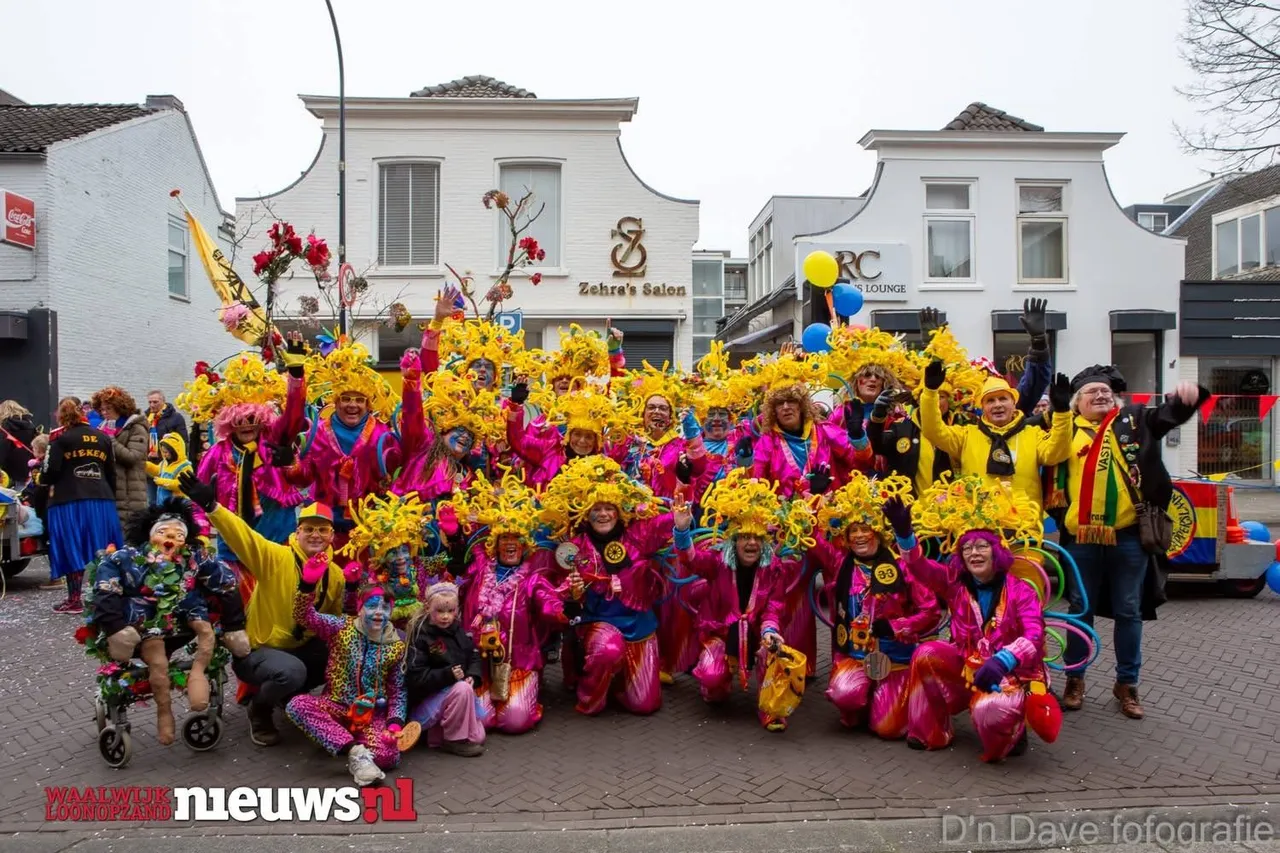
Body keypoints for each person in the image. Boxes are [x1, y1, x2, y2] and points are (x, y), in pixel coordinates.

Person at [1057, 366, 1208, 720]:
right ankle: (1075, 678)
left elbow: (1169, 416)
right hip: (1080, 536)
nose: (1100, 396)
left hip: (1128, 535)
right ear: (1077, 402)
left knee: (1129, 610)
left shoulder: (1135, 421)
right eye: (1091, 392)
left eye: (1105, 392)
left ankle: (1127, 684)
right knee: (1080, 610)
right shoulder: (1060, 430)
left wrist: (1188, 397)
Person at [179, 471, 350, 747]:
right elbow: (244, 536)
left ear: (332, 535)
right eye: (309, 529)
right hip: (260, 651)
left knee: (342, 653)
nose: (315, 535)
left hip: (300, 649)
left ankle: (288, 696)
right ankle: (259, 709)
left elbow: (330, 623)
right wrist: (213, 507)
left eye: (322, 529)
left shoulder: (336, 575)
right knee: (291, 672)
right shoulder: (275, 557)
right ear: (298, 532)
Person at [890, 476, 1049, 763]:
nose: (974, 553)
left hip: (1012, 674)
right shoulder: (954, 583)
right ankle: (931, 732)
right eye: (967, 548)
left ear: (997, 551)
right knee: (925, 653)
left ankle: (1012, 730)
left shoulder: (1021, 590)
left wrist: (1004, 660)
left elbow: (1035, 636)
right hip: (968, 665)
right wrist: (904, 534)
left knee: (989, 711)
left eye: (981, 546)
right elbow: (918, 566)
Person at [84, 500, 248, 745]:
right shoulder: (126, 558)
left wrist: (234, 626)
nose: (170, 538)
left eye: (179, 533)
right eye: (163, 532)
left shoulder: (195, 557)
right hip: (147, 624)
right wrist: (115, 628)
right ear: (150, 534)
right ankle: (164, 711)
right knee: (157, 659)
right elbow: (105, 588)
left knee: (206, 632)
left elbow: (226, 583)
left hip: (187, 618)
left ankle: (197, 675)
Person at [675, 471, 811, 731]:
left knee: (771, 651)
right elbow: (690, 559)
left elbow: (774, 606)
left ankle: (770, 708)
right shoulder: (718, 561)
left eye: (757, 537)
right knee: (714, 683)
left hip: (758, 632)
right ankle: (716, 684)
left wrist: (771, 631)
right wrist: (682, 530)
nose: (751, 543)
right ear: (734, 541)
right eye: (744, 537)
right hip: (720, 631)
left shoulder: (774, 569)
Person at [444, 471, 577, 734]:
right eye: (504, 538)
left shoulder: (532, 580)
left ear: (525, 545)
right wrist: (457, 538)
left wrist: (568, 605)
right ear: (496, 544)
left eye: (516, 538)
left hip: (519, 663)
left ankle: (525, 696)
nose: (510, 544)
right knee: (482, 719)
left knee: (514, 721)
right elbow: (462, 565)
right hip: (479, 663)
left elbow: (551, 606)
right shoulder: (481, 569)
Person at [809, 474, 941, 739]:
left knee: (888, 728)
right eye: (853, 531)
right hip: (854, 656)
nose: (859, 536)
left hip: (895, 659)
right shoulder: (838, 564)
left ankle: (890, 698)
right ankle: (859, 703)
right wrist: (816, 499)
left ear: (879, 533)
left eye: (865, 529)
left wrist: (895, 626)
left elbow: (932, 612)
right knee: (844, 694)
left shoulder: (904, 567)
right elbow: (810, 536)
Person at [540, 456, 671, 717]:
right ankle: (590, 697)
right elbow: (559, 594)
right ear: (586, 514)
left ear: (619, 511)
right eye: (595, 508)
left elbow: (667, 524)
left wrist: (680, 521)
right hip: (599, 626)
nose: (602, 514)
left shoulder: (637, 535)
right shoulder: (573, 547)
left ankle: (619, 684)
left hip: (639, 627)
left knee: (645, 706)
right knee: (608, 650)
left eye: (609, 508)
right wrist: (572, 593)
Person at [286, 554, 411, 785]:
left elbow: (398, 690)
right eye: (372, 606)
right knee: (298, 705)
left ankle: (344, 743)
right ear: (361, 608)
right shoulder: (341, 627)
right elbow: (303, 616)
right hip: (336, 706)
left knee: (389, 756)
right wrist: (307, 585)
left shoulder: (397, 645)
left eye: (385, 608)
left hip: (371, 714)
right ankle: (355, 752)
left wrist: (395, 722)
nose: (378, 613)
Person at [918, 362, 1074, 511]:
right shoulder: (966, 435)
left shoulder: (1032, 434)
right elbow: (933, 431)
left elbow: (1056, 453)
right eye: (990, 401)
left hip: (1025, 526)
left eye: (1003, 399)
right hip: (979, 527)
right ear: (983, 407)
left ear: (1014, 403)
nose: (997, 404)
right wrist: (930, 393)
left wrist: (1062, 413)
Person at [38, 399, 123, 614]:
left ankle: (74, 599)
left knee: (71, 548)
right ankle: (107, 596)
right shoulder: (103, 437)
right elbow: (111, 472)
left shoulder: (60, 437)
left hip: (69, 500)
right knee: (104, 548)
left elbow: (50, 472)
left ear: (62, 416)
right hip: (102, 500)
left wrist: (40, 477)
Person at [405, 582, 488, 756]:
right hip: (426, 702)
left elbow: (473, 654)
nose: (446, 617)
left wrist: (473, 674)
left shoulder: (457, 630)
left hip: (453, 694)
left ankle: (438, 734)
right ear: (428, 608)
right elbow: (415, 679)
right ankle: (453, 740)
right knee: (463, 689)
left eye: (450, 611)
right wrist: (447, 675)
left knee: (478, 737)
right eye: (440, 611)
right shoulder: (421, 636)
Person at [92, 387, 150, 530]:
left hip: (130, 494)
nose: (105, 413)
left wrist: (110, 439)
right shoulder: (101, 427)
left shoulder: (136, 427)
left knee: (128, 537)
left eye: (108, 409)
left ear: (120, 408)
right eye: (102, 410)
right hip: (110, 492)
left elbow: (132, 457)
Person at [145, 390, 189, 507]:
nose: (152, 405)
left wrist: (161, 453)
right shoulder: (146, 419)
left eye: (155, 402)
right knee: (153, 502)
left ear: (163, 401)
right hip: (151, 466)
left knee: (169, 502)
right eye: (150, 402)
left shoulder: (176, 418)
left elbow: (183, 442)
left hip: (169, 468)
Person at [146, 433, 194, 505]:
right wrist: (146, 465)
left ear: (174, 451)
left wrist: (162, 482)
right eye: (162, 451)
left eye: (166, 452)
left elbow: (181, 484)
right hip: (163, 504)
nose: (164, 454)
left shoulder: (185, 466)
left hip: (177, 505)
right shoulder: (165, 462)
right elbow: (158, 471)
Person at [0, 400, 37, 486]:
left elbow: (3, 447)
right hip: (28, 465)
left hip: (10, 468)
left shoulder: (6, 426)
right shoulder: (30, 424)